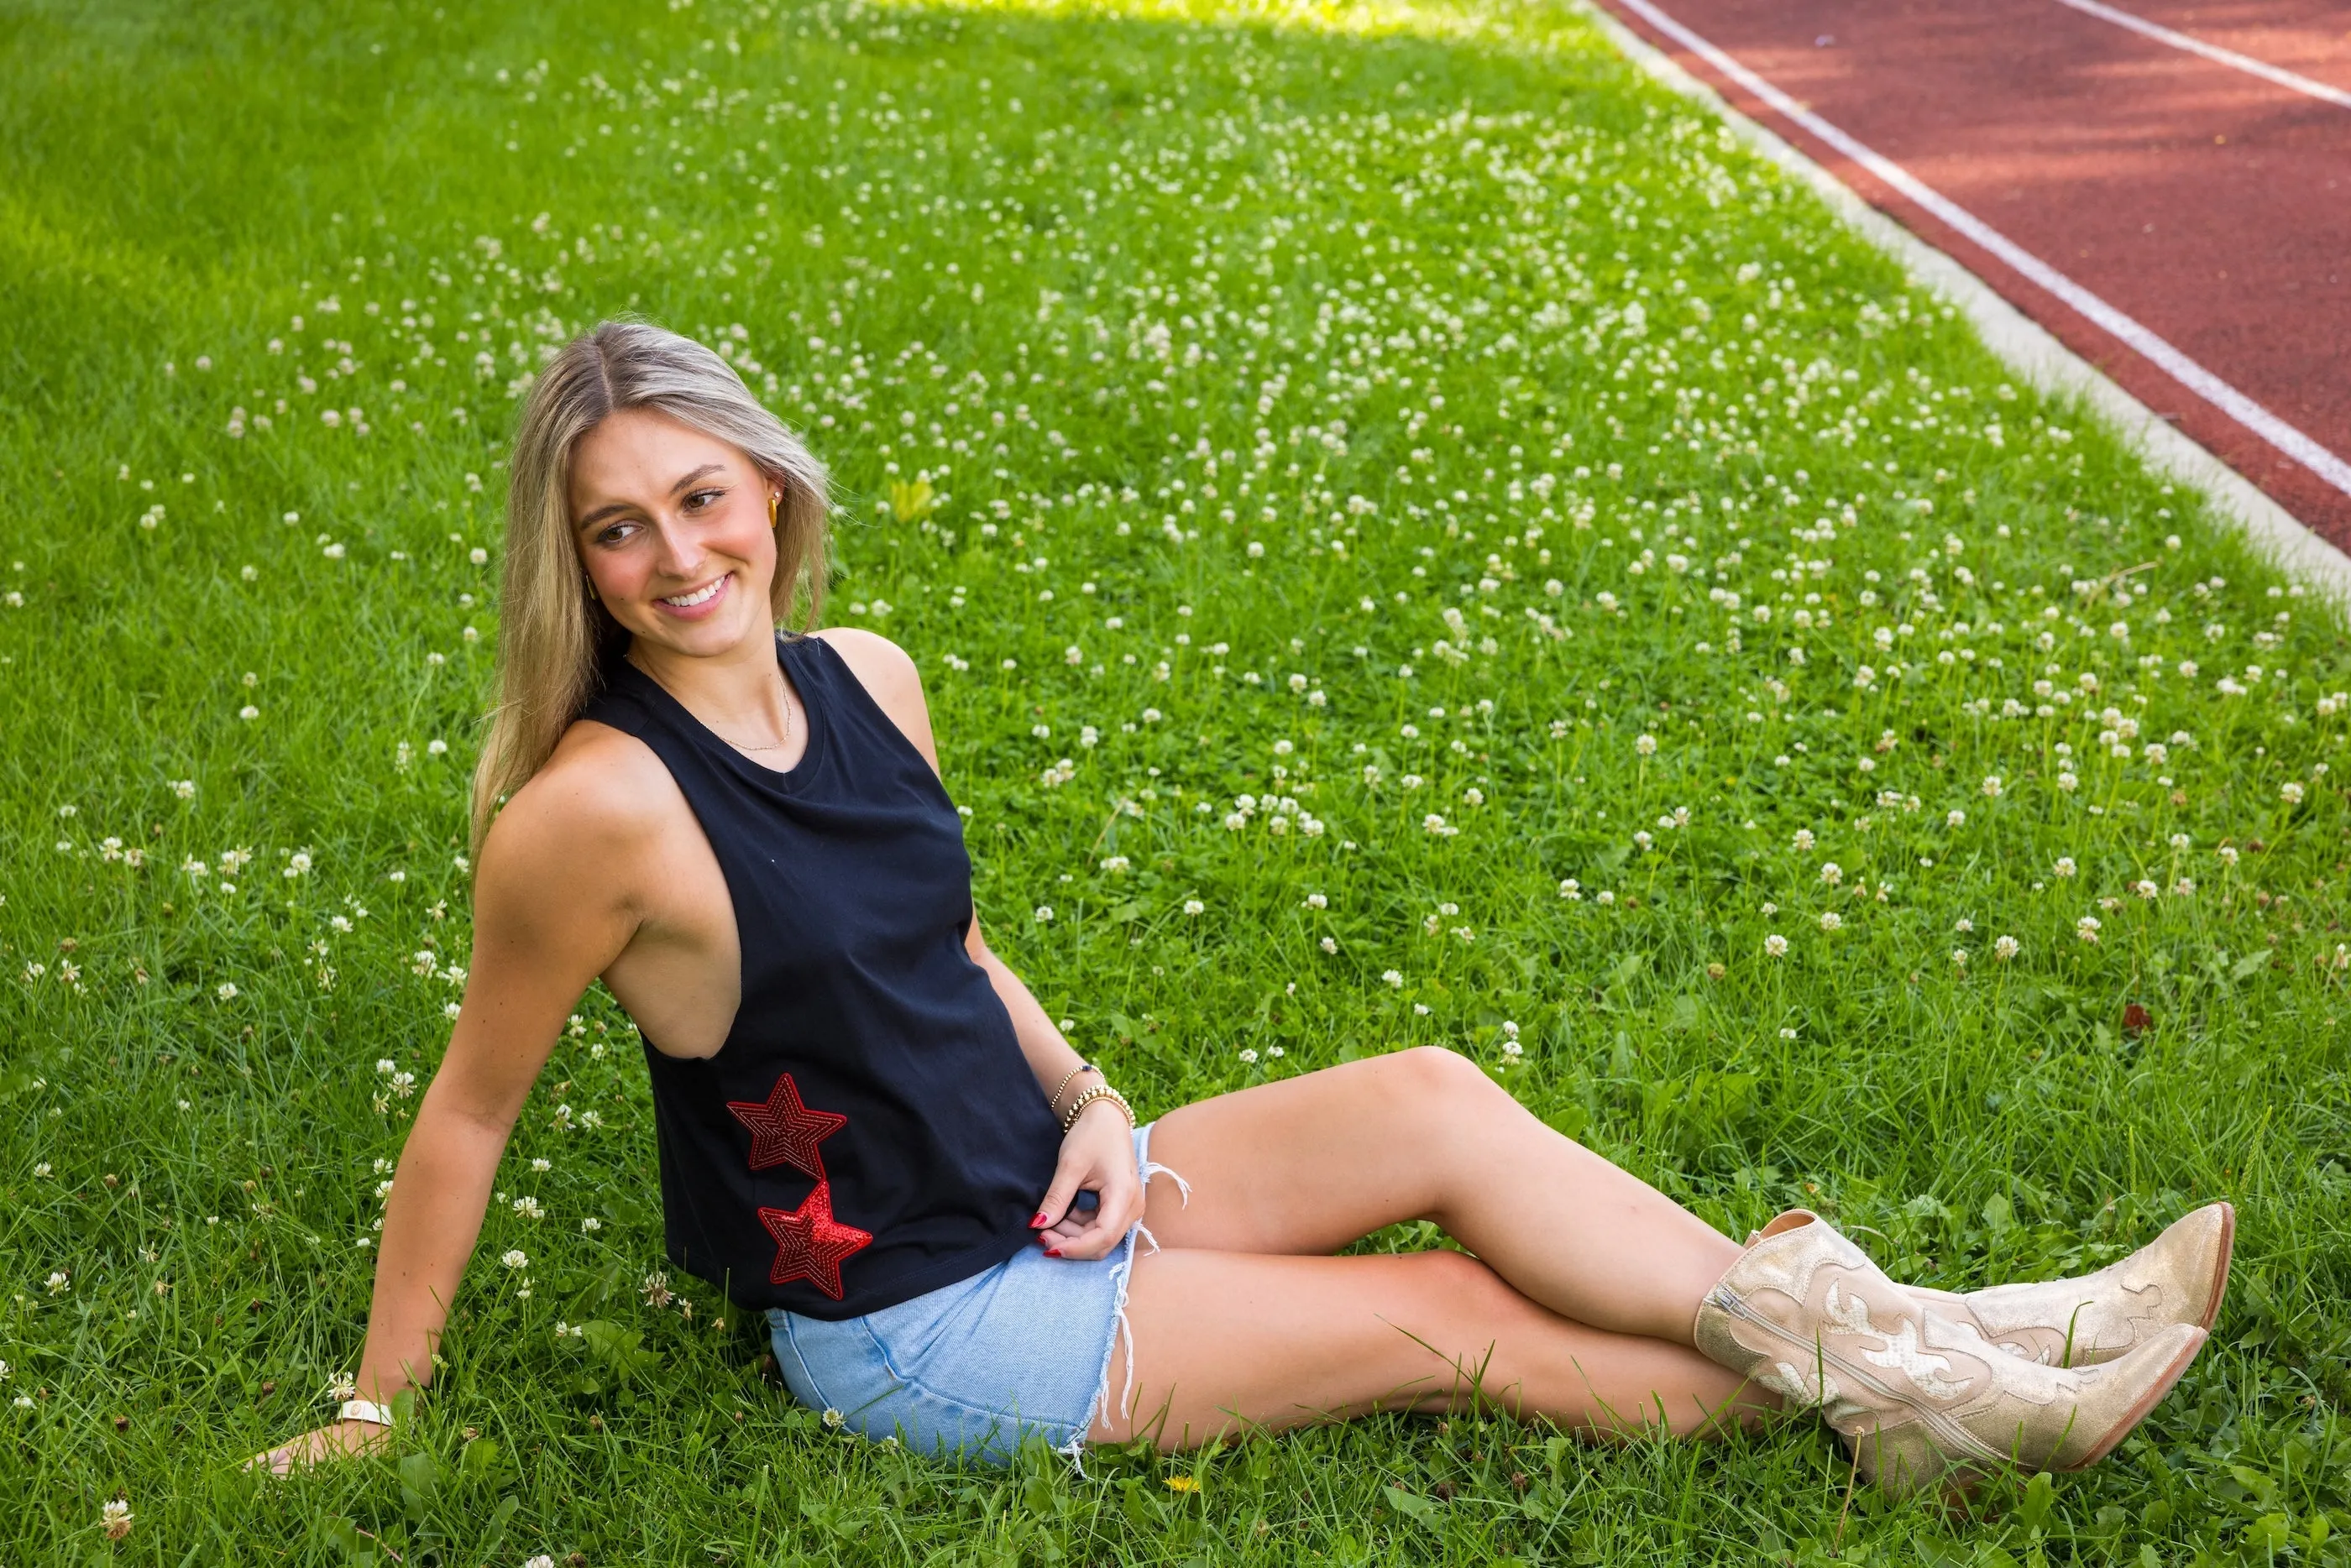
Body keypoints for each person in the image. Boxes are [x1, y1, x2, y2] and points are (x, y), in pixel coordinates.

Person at [258, 321, 2232, 1496]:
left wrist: (1099, 1102)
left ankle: (1953, 1334)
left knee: (1440, 1097)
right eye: (620, 525)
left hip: (1038, 1185)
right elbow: (469, 1114)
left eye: (702, 495)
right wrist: (375, 1401)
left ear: (768, 489)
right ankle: (1935, 1397)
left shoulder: (863, 671)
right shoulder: (590, 814)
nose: (678, 551)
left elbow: (937, 948)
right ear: (577, 565)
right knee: (1441, 1311)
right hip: (920, 1321)